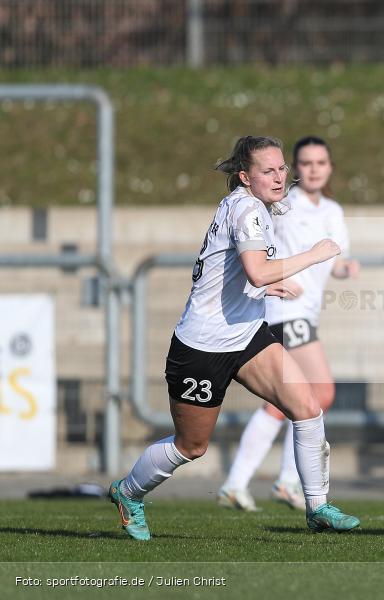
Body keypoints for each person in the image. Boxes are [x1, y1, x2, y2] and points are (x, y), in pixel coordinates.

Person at [108, 136, 360, 540]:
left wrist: (263, 288)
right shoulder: (247, 209)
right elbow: (258, 271)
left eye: (282, 168)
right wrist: (315, 254)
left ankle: (317, 507)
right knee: (192, 446)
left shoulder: (257, 206)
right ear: (245, 176)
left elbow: (241, 272)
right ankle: (129, 492)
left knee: (308, 406)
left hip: (246, 336)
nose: (280, 177)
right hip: (202, 346)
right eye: (268, 171)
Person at [218, 136, 359, 511]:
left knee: (287, 403)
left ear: (329, 167)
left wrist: (345, 268)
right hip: (284, 311)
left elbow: (334, 260)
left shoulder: (332, 209)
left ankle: (240, 483)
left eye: (321, 163)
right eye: (307, 163)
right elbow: (259, 247)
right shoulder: (282, 203)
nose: (314, 169)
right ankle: (284, 481)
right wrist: (275, 277)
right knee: (319, 394)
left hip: (306, 312)